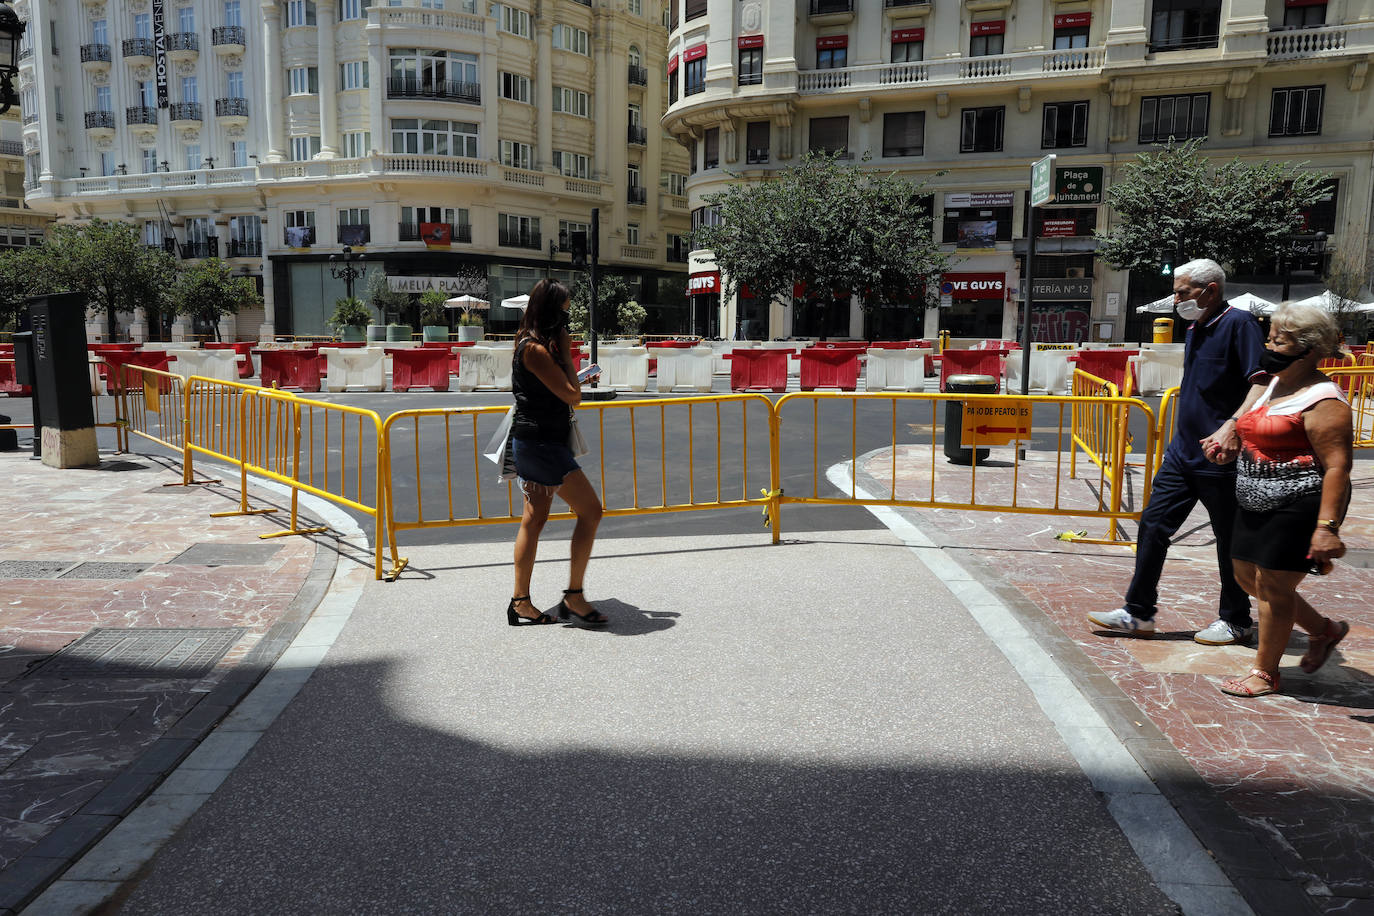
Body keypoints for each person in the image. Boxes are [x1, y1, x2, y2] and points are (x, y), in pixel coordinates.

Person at [1088, 259, 1265, 643]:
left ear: (1211, 290)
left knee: (1227, 540)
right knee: (1152, 526)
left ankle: (1236, 619)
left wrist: (1232, 426)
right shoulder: (1194, 327)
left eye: (1183, 292)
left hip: (1219, 456)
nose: (1177, 299)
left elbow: (1261, 383)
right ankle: (1138, 613)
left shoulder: (1240, 325)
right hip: (1182, 454)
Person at [1217, 304, 1352, 697]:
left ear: (1308, 350)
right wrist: (1232, 446)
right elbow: (1257, 432)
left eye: (1280, 340)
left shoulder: (1325, 401)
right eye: (1270, 337)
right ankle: (1324, 631)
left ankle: (1265, 673)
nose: (1269, 345)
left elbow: (1338, 469)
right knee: (1246, 578)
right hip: (1253, 500)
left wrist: (1327, 528)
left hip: (1299, 503)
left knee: (1274, 586)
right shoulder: (1273, 383)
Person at [505, 279, 608, 627]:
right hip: (541, 445)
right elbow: (572, 396)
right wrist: (566, 353)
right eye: (564, 314)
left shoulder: (531, 344)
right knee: (591, 511)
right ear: (550, 312)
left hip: (536, 443)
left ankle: (521, 602)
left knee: (533, 521)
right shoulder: (534, 349)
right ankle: (574, 597)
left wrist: (567, 364)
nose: (567, 322)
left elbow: (557, 390)